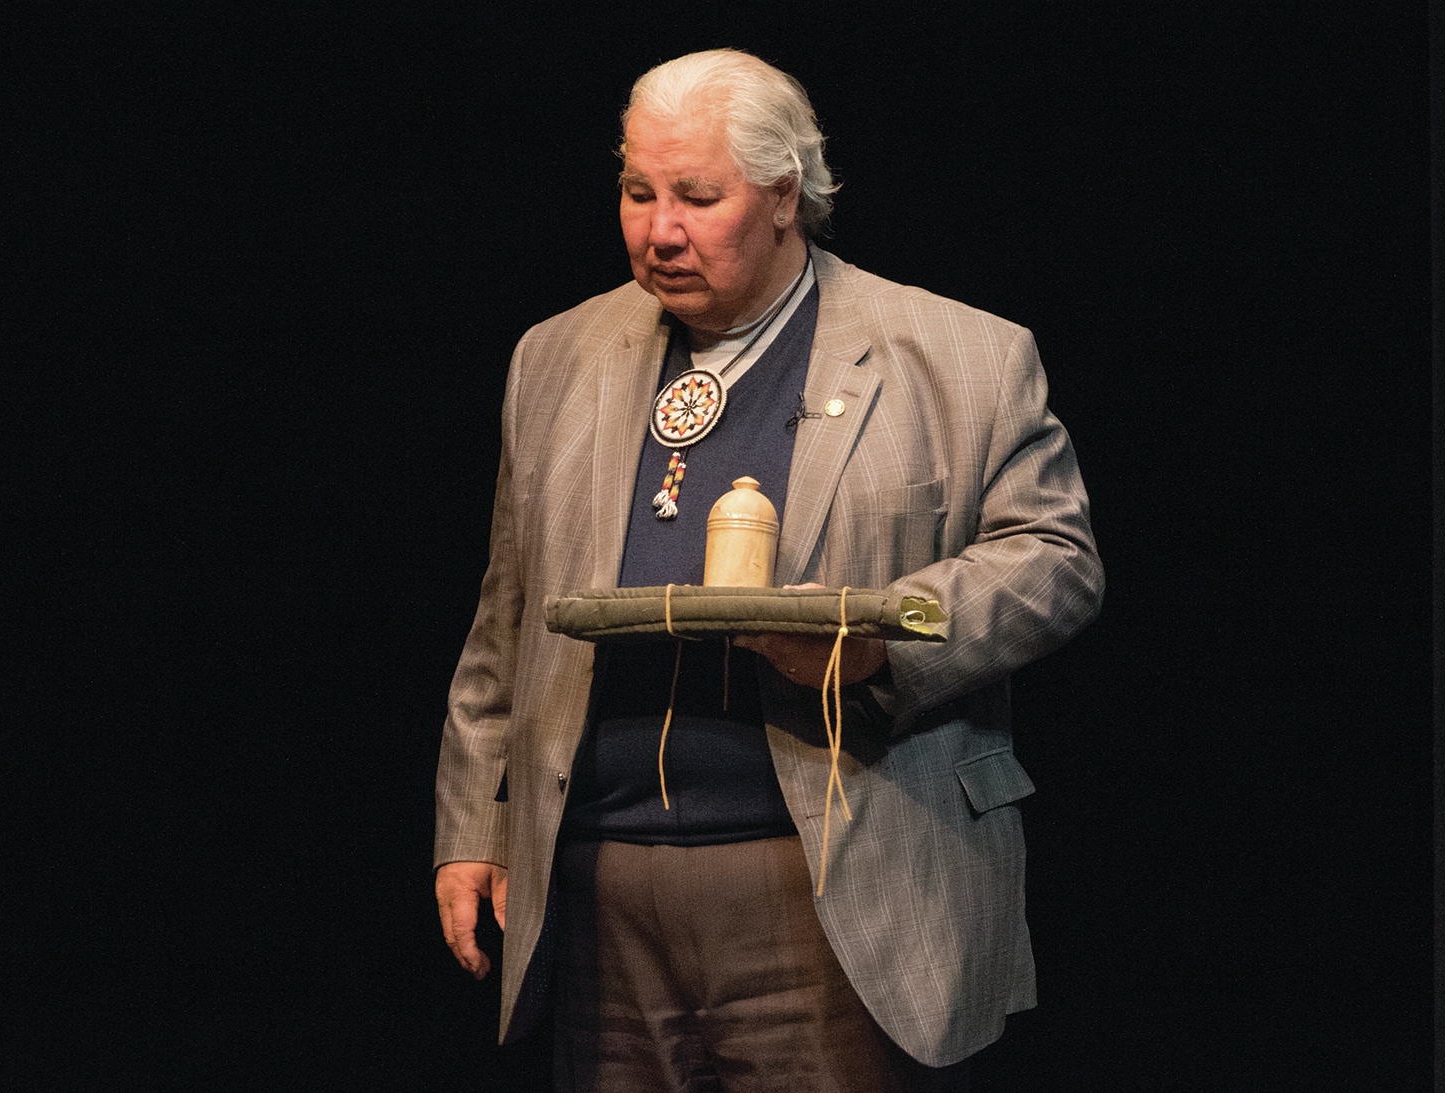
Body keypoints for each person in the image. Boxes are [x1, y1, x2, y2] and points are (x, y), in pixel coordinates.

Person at [434, 48, 1103, 1092]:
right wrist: (473, 821)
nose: (660, 230)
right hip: (601, 883)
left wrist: (880, 638)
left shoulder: (958, 354)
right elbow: (506, 609)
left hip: (833, 873)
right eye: (638, 192)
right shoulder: (555, 355)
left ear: (786, 197)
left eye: (699, 198)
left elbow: (1053, 561)